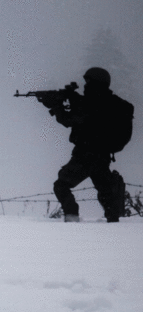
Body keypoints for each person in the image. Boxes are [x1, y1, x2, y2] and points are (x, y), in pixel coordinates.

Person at [46, 67, 127, 222]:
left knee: (61, 185)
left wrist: (56, 106)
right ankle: (114, 222)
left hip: (84, 155)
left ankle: (71, 215)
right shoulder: (112, 104)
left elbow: (68, 120)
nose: (85, 85)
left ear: (96, 83)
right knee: (106, 192)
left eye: (88, 82)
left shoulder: (89, 104)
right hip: (102, 157)